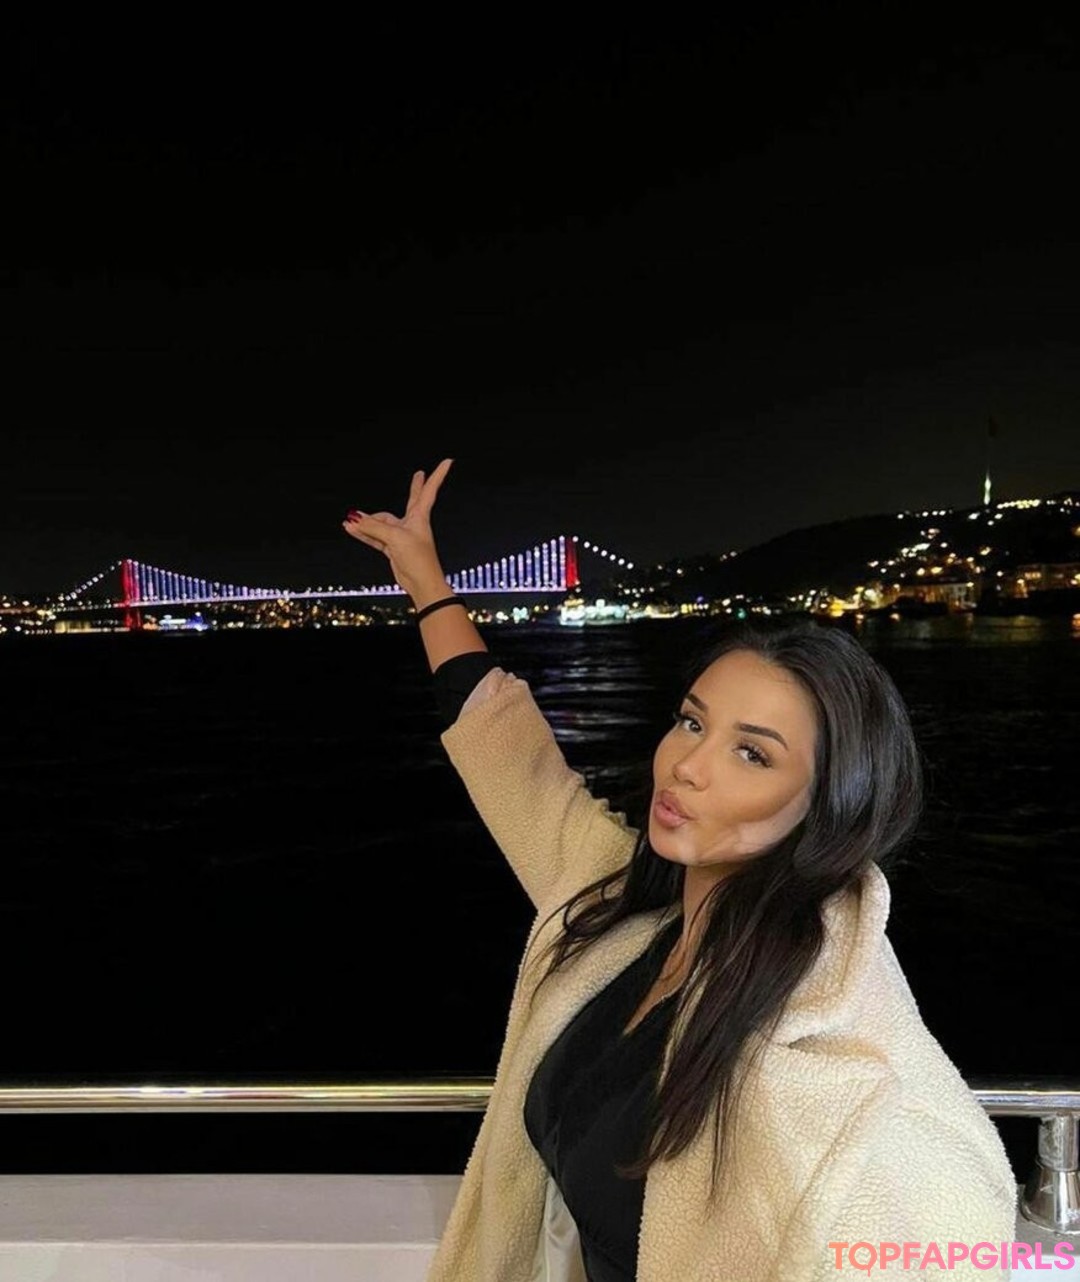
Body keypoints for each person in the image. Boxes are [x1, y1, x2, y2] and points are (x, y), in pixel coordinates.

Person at [342, 459, 1018, 1282]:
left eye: (751, 754)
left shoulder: (824, 1041)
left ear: (828, 803)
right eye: (692, 722)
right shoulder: (626, 914)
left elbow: (946, 1217)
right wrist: (426, 581)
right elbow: (508, 756)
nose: (688, 766)